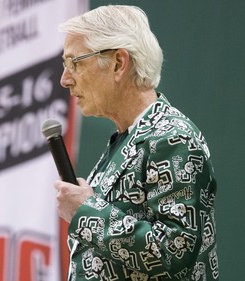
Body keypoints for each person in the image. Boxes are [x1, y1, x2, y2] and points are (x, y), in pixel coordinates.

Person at [54, 5, 219, 281]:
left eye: (75, 63)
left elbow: (173, 251)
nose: (65, 79)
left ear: (119, 63)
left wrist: (86, 212)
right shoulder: (129, 138)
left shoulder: (172, 137)